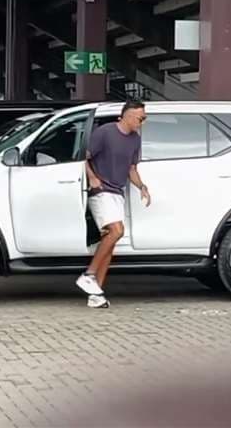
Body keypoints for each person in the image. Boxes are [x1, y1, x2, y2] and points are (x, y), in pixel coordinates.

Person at [75, 100, 151, 308]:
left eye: (144, 118)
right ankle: (88, 274)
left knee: (111, 242)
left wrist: (141, 186)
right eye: (140, 118)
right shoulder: (105, 132)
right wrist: (91, 177)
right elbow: (83, 157)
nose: (142, 122)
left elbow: (131, 169)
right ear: (127, 115)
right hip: (100, 191)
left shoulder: (135, 139)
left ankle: (95, 294)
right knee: (116, 231)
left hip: (118, 192)